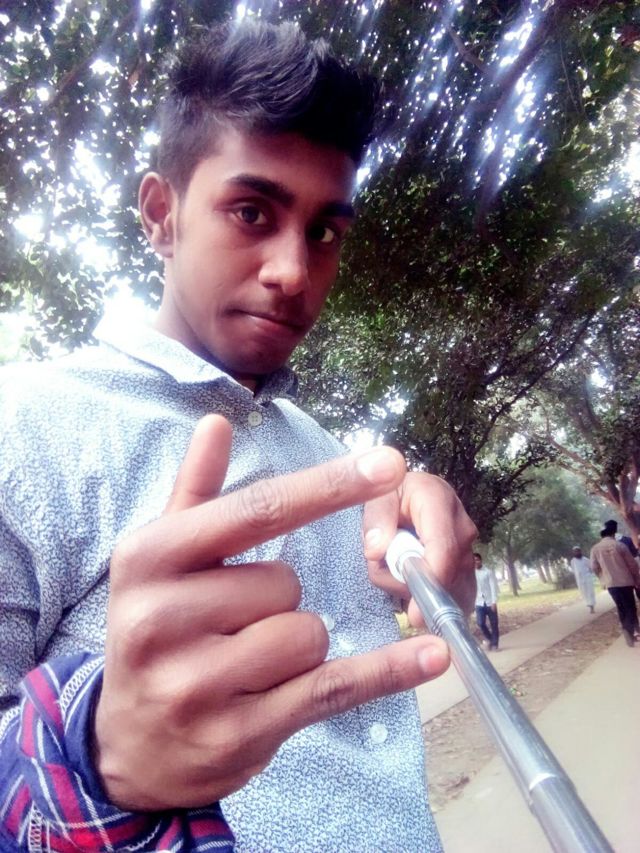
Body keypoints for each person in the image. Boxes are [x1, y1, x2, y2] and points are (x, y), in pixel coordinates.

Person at [0, 20, 478, 853]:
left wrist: (435, 574)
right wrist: (96, 761)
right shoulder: (25, 426)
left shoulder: (325, 452)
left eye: (324, 232)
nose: (294, 270)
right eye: (251, 211)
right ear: (162, 214)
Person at [590, 520, 640, 647]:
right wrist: (637, 579)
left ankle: (626, 629)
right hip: (626, 582)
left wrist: (602, 578)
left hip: (611, 584)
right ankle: (630, 630)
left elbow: (594, 567)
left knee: (620, 607)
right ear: (614, 532)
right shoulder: (620, 546)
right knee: (630, 607)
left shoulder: (595, 549)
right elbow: (632, 565)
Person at [474, 552, 500, 651]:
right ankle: (490, 639)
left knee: (494, 624)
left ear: (481, 560)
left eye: (477, 560)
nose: (475, 562)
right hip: (478, 603)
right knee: (480, 623)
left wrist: (494, 602)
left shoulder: (488, 572)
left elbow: (493, 587)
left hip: (489, 602)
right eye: (473, 560)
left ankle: (495, 645)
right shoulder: (471, 573)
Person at [570, 546, 596, 613]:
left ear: (580, 551)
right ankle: (589, 604)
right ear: (573, 553)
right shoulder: (573, 561)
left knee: (590, 592)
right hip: (579, 579)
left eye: (578, 551)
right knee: (584, 592)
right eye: (575, 552)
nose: (577, 553)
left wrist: (590, 575)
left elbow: (591, 568)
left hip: (587, 578)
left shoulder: (585, 559)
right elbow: (574, 570)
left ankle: (592, 606)